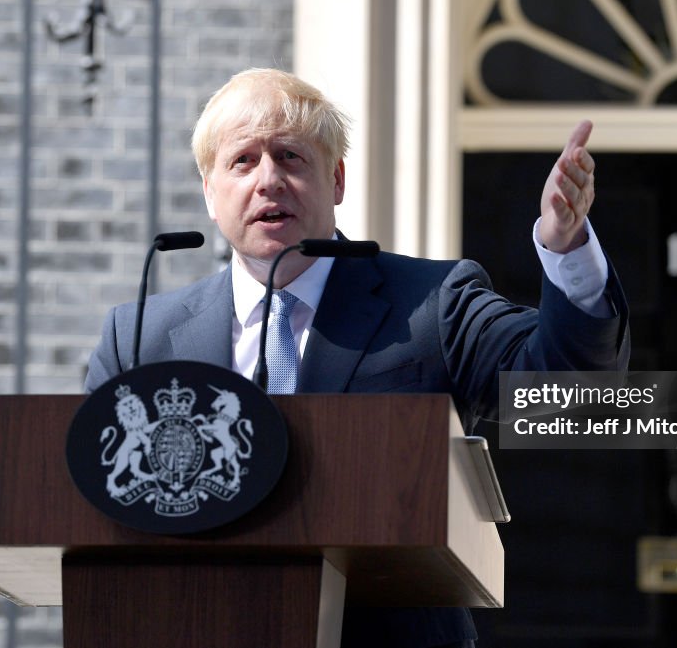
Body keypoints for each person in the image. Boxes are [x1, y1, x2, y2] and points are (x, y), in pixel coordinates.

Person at [85, 68, 629, 648]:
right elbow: (89, 501)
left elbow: (574, 394)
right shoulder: (141, 335)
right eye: (243, 161)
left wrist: (567, 249)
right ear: (210, 194)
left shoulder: (431, 304)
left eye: (291, 157)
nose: (268, 179)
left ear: (337, 180)